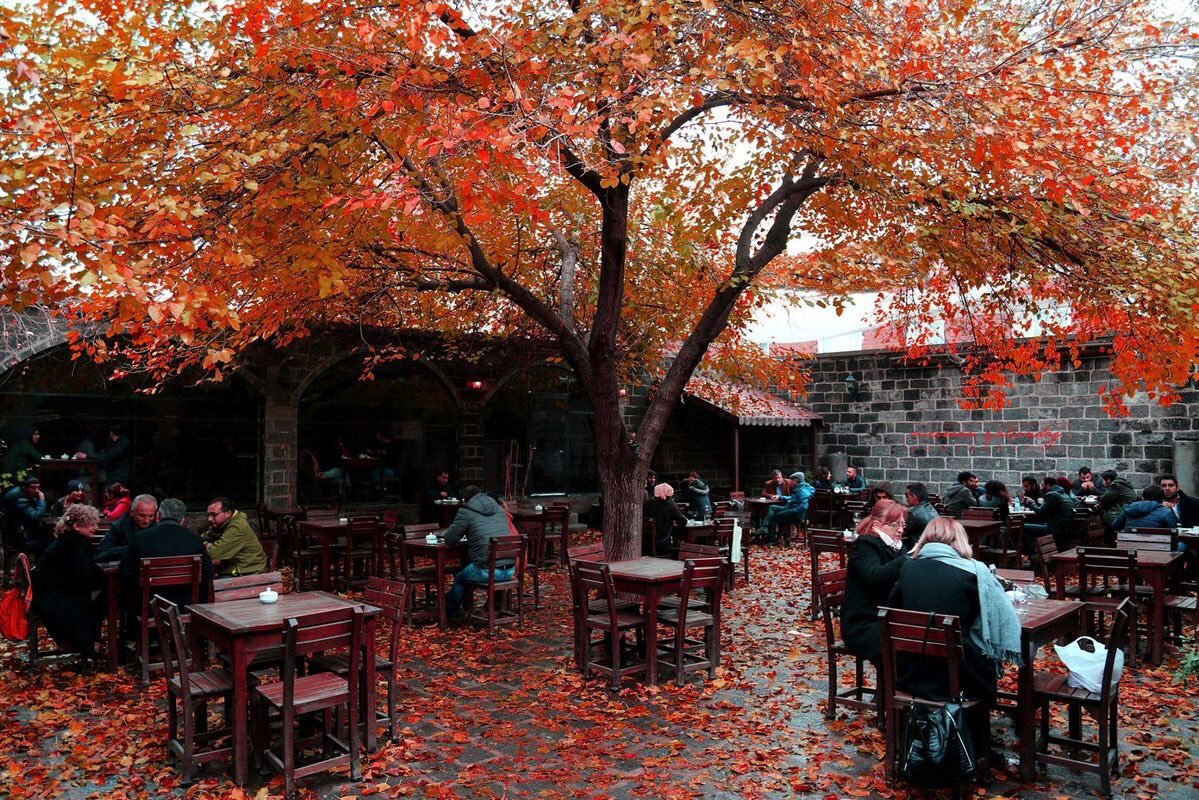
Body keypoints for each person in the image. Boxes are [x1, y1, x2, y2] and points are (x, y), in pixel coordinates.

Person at [887, 517, 1022, 707]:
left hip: (911, 670)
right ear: (959, 539)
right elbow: (991, 616)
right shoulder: (973, 572)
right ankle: (979, 731)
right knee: (980, 651)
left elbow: (894, 607)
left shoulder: (908, 567)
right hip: (958, 674)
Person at [30, 504, 106, 665]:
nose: (96, 527)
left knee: (98, 596)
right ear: (77, 526)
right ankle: (89, 646)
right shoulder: (74, 544)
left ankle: (90, 644)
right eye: (92, 524)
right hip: (54, 599)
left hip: (47, 595)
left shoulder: (69, 540)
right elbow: (83, 577)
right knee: (103, 597)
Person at [841, 499, 909, 678]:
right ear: (878, 524)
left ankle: (895, 694)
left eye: (903, 525)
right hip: (863, 624)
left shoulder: (898, 547)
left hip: (888, 619)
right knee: (906, 647)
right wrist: (908, 559)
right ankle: (890, 696)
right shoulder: (866, 544)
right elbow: (875, 576)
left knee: (922, 640)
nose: (901, 530)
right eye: (895, 525)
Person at [119, 497, 213, 611]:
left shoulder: (141, 538)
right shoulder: (195, 540)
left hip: (149, 605)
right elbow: (208, 573)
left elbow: (125, 571)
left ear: (158, 516)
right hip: (186, 603)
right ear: (182, 519)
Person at [443, 486, 516, 619]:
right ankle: (491, 606)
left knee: (460, 577)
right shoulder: (499, 509)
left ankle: (451, 613)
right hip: (510, 569)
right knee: (470, 569)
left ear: (466, 500)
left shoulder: (466, 512)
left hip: (487, 571)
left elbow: (449, 539)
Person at [200, 497, 268, 576]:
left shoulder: (237, 527)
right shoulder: (220, 524)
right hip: (231, 568)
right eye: (208, 515)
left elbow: (213, 554)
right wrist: (206, 544)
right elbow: (200, 539)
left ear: (228, 513)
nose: (210, 519)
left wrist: (205, 545)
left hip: (249, 572)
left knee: (210, 584)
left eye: (213, 515)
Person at [94, 493, 157, 562]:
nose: (146, 520)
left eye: (151, 516)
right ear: (132, 512)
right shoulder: (118, 526)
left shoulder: (158, 526)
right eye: (142, 516)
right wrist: (132, 550)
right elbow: (101, 553)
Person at [757, 472, 815, 544]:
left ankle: (773, 540)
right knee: (772, 507)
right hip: (790, 508)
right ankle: (764, 527)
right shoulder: (800, 488)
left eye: (792, 480)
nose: (791, 482)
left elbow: (803, 507)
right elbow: (793, 498)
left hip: (796, 515)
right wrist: (780, 497)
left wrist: (789, 511)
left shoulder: (802, 491)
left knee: (772, 517)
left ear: (796, 480)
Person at [1023, 476, 1075, 551]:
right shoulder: (1064, 494)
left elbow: (1040, 512)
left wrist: (1031, 502)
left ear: (1048, 485)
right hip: (1064, 528)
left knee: (1023, 527)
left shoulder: (1052, 495)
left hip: (1055, 529)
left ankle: (1032, 553)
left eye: (1042, 485)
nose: (1041, 488)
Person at [3, 475, 49, 556]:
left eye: (38, 487)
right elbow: (35, 516)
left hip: (24, 533)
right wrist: (41, 500)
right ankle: (41, 567)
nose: (37, 491)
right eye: (33, 488)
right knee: (49, 541)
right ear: (24, 487)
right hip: (21, 538)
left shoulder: (24, 494)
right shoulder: (19, 499)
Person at [1113, 484, 1177, 531]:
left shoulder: (1129, 509)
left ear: (1143, 498)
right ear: (1163, 500)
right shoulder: (1166, 512)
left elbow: (1115, 526)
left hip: (1128, 546)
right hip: (1157, 547)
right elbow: (1173, 530)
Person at [646, 483, 688, 554]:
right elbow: (683, 521)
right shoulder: (670, 505)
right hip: (662, 541)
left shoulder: (648, 503)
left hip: (646, 541)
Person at [902, 482, 939, 547]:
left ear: (914, 496)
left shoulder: (913, 512)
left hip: (919, 546)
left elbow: (903, 530)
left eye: (907, 496)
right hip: (933, 543)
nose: (907, 500)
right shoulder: (931, 507)